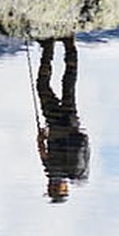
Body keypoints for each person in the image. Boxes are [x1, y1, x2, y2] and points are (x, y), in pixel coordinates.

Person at [36, 37, 90, 202]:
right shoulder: (52, 172)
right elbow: (42, 149)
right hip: (54, 123)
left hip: (71, 123)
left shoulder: (75, 173)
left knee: (68, 87)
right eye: (51, 190)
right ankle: (50, 47)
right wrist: (42, 136)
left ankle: (68, 45)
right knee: (43, 86)